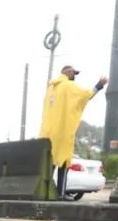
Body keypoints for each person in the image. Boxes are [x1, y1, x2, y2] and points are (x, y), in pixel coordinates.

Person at [39, 65, 107, 198]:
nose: (74, 76)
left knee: (49, 164)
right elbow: (85, 96)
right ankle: (61, 194)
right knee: (64, 162)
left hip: (47, 133)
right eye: (74, 73)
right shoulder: (69, 86)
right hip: (63, 131)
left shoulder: (50, 89)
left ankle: (45, 193)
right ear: (68, 72)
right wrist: (99, 85)